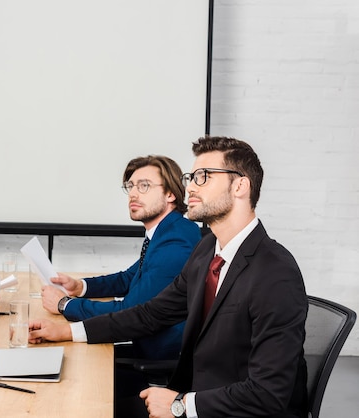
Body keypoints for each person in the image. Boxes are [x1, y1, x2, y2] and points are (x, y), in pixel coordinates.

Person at [29, 136, 309, 418]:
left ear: (240, 185)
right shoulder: (206, 251)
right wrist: (68, 331)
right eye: (191, 177)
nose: (190, 187)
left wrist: (181, 406)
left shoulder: (276, 273)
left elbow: (268, 394)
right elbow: (151, 314)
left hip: (226, 409)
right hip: (194, 396)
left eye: (203, 177)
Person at [41, 155, 200, 363]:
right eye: (131, 186)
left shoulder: (177, 242)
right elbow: (129, 278)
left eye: (144, 186)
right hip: (145, 348)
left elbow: (130, 311)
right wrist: (80, 286)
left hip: (158, 363)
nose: (133, 193)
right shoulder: (167, 231)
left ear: (170, 194)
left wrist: (65, 304)